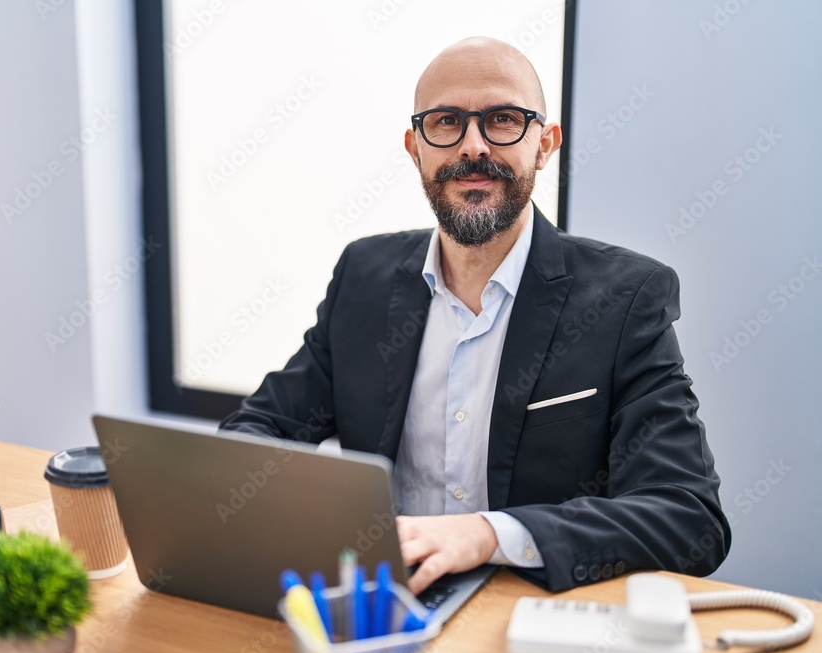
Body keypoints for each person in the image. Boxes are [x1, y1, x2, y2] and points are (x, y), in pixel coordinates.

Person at [220, 37, 730, 594]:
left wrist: (491, 534)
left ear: (545, 145)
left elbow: (689, 518)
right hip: (387, 611)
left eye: (503, 119)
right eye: (446, 122)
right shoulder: (362, 275)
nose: (473, 146)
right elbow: (258, 432)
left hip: (529, 617)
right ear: (416, 148)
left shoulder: (627, 298)